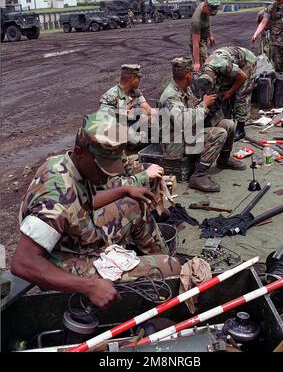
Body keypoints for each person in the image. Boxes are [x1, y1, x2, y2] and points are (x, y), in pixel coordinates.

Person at [11, 112, 181, 310]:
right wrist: (90, 286)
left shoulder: (66, 164)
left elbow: (82, 203)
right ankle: (164, 275)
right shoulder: (53, 199)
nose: (105, 176)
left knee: (134, 203)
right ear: (80, 151)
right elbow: (22, 263)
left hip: (79, 236)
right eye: (103, 169)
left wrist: (124, 190)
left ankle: (156, 261)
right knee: (171, 266)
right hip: (66, 260)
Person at [159, 57, 246, 193]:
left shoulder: (184, 89)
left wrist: (208, 102)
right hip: (175, 143)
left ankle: (224, 159)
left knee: (228, 124)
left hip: (187, 133)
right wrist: (204, 105)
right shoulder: (170, 96)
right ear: (188, 75)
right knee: (219, 133)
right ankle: (198, 176)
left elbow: (193, 109)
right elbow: (184, 121)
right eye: (191, 74)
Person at [193, 46, 257, 142]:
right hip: (230, 63)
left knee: (241, 95)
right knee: (220, 92)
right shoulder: (203, 72)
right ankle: (227, 122)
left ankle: (240, 129)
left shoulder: (223, 66)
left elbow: (242, 77)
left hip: (246, 62)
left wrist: (230, 92)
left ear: (215, 76)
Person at [190, 0, 220, 72]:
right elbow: (195, 42)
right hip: (198, 43)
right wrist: (196, 62)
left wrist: (210, 35)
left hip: (204, 38)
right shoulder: (196, 21)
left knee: (205, 63)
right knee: (204, 65)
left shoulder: (205, 5)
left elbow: (207, 22)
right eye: (210, 12)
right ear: (206, 7)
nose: (211, 14)